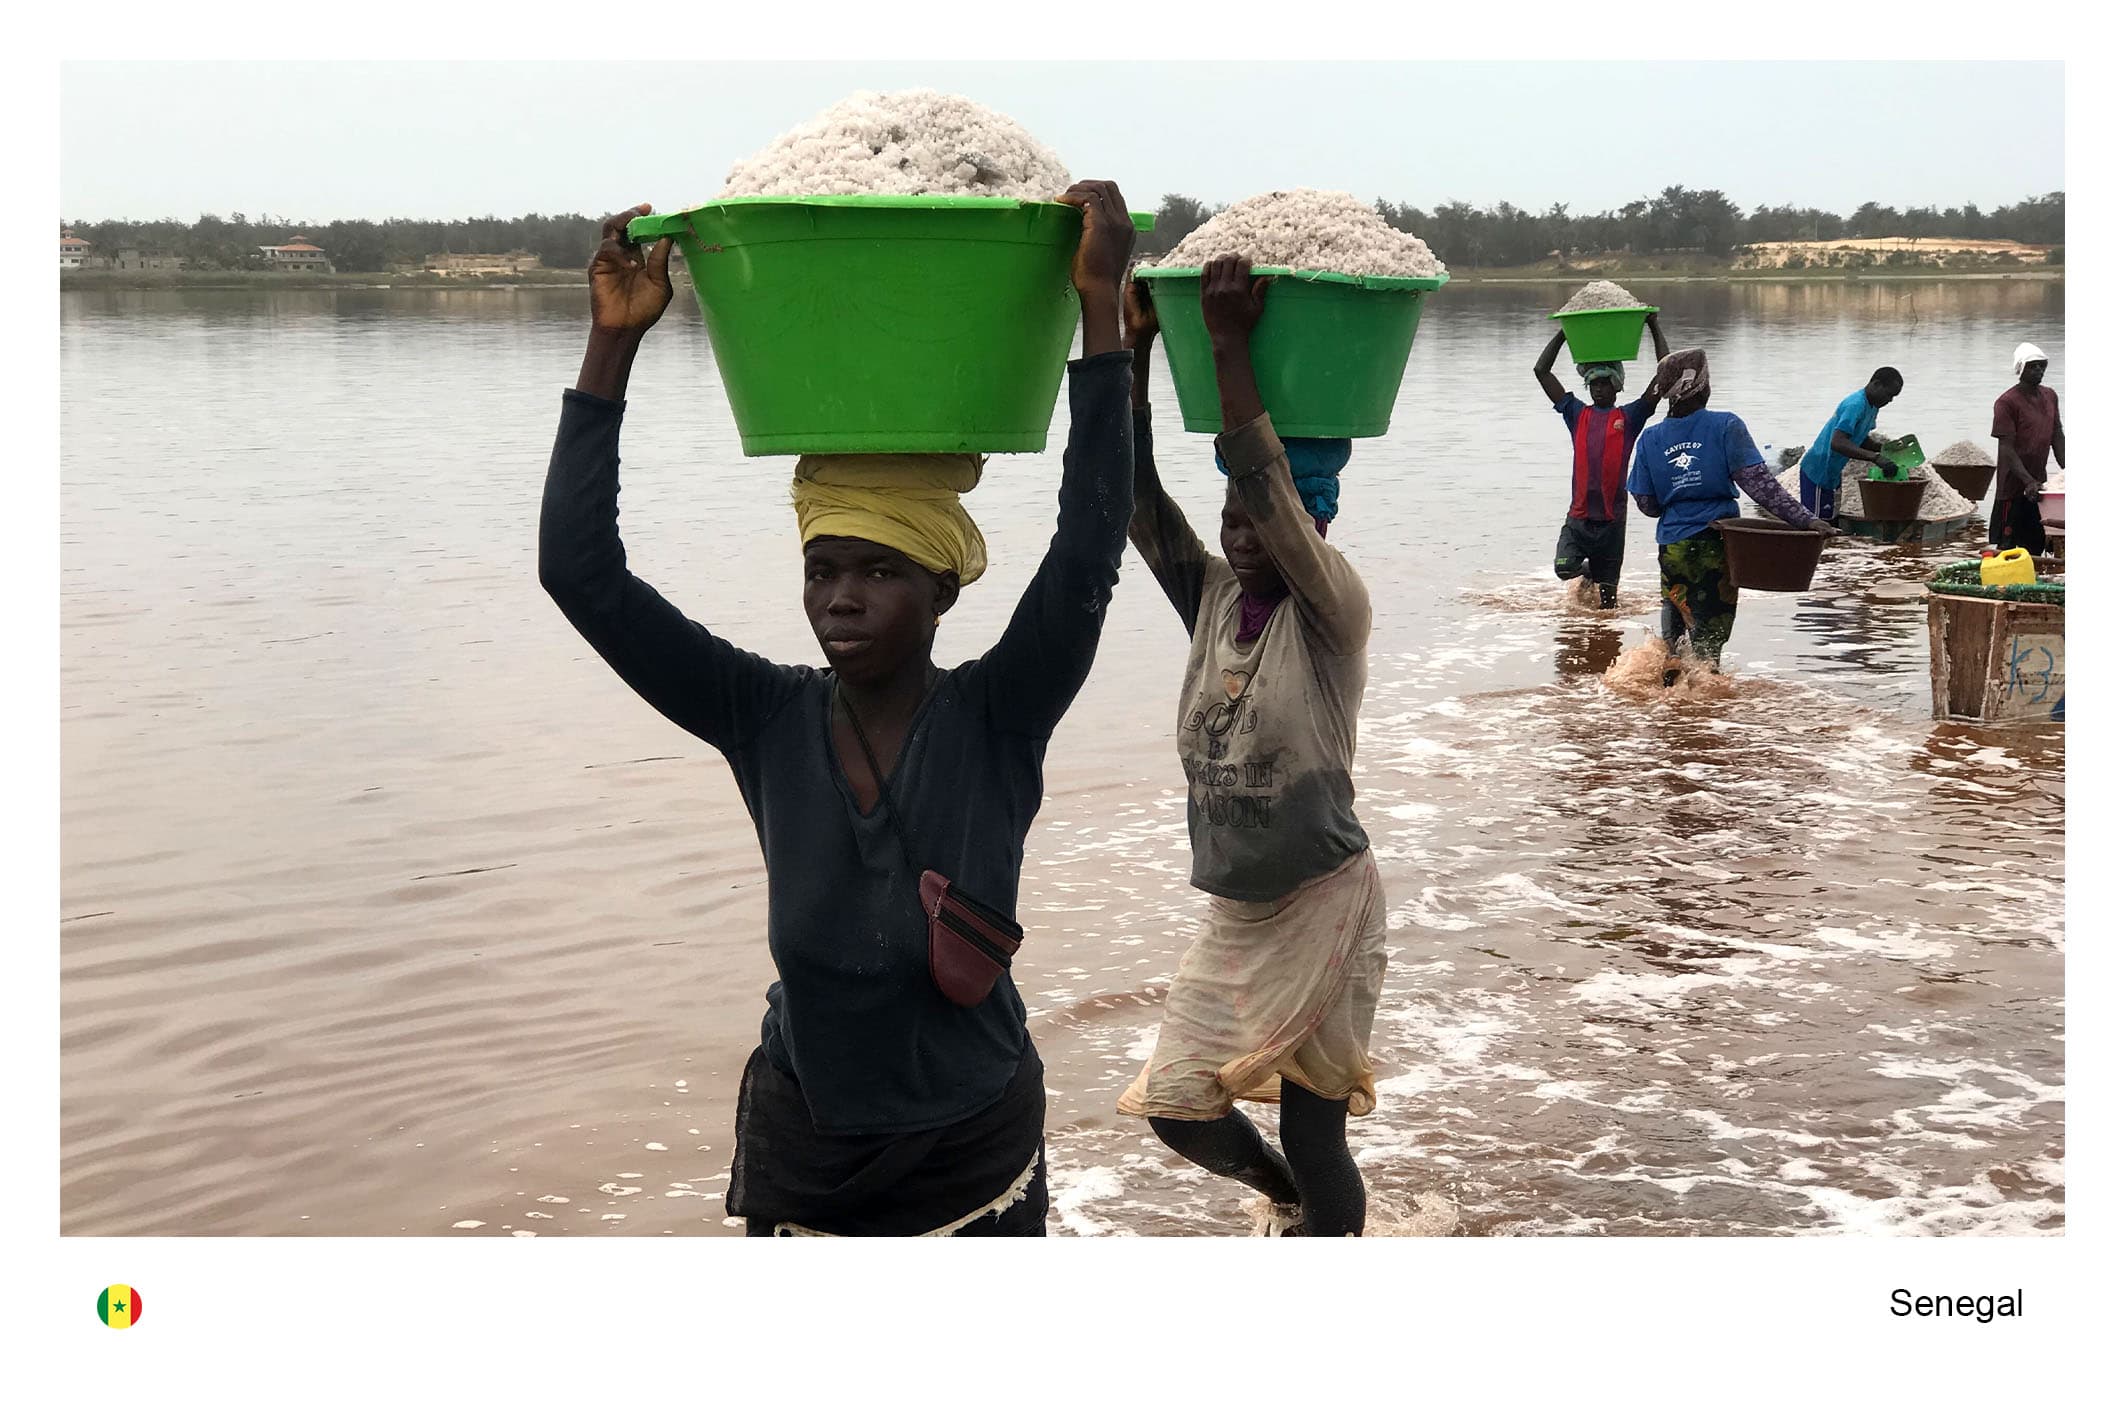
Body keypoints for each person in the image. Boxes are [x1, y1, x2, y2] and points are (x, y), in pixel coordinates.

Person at [538, 183, 1140, 1236]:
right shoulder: (761, 713)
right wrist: (613, 343)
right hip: (807, 1142)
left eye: (878, 571)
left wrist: (1098, 305)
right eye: (822, 570)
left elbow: (1087, 549)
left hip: (972, 1140)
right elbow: (579, 573)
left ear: (942, 588)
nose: (841, 598)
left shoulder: (1000, 714)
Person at [1114, 257, 1389, 1237]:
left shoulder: (1332, 611)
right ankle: (1287, 1207)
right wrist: (1134, 351)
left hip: (1324, 903)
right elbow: (1132, 496)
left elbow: (1266, 482)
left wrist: (1228, 344)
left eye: (1259, 522)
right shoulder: (1212, 597)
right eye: (1228, 519)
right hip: (1237, 912)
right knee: (1176, 1104)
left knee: (1317, 1136)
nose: (1240, 535)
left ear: (1308, 529)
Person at [1628, 349, 1837, 672]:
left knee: (1675, 629)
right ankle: (1706, 693)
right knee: (1708, 645)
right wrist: (1807, 521)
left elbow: (1646, 503)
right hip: (1715, 545)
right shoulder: (1725, 425)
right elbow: (1761, 487)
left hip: (1672, 548)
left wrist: (1677, 496)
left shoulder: (1649, 438)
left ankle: (1670, 684)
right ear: (1700, 386)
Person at [1534, 314, 1670, 608]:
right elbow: (1541, 371)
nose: (1598, 389)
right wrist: (1565, 334)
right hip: (1579, 519)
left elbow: (1665, 375)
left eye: (1605, 383)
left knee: (1609, 606)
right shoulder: (1577, 414)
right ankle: (1588, 572)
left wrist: (1653, 325)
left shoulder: (1629, 418)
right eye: (1594, 383)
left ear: (1617, 386)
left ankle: (1599, 578)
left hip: (1612, 523)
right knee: (1564, 568)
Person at [1796, 367, 1905, 521]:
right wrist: (1874, 457)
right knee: (1816, 523)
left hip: (1833, 473)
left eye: (1893, 397)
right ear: (1876, 384)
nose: (1890, 400)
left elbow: (1860, 437)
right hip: (1818, 471)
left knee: (1831, 519)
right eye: (1889, 394)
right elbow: (1837, 442)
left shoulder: (1873, 407)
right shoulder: (1855, 405)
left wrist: (1882, 449)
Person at [1991, 342, 2065, 555]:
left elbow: (2057, 435)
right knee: (2007, 544)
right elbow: (2006, 448)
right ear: (2021, 369)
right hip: (2012, 487)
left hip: (2038, 486)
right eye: (2032, 366)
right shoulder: (2006, 402)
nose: (2038, 370)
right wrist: (2027, 481)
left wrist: (2066, 469)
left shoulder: (2050, 396)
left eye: (2042, 365)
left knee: (2035, 543)